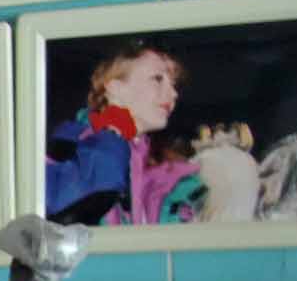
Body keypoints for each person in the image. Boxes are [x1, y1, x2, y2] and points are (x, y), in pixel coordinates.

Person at [46, 41, 206, 226]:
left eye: (173, 84)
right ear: (116, 88)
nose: (174, 93)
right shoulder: (72, 148)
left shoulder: (151, 165)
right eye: (157, 79)